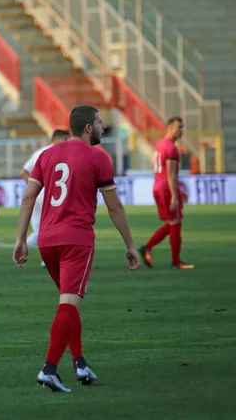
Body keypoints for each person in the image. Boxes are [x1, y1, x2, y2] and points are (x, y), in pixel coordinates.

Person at [13, 105, 139, 393]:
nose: (103, 126)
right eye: (99, 122)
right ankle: (49, 369)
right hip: (76, 241)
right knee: (68, 305)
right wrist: (130, 244)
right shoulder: (98, 156)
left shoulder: (46, 155)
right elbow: (114, 206)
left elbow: (28, 199)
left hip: (46, 241)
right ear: (87, 128)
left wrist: (21, 238)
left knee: (67, 304)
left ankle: (80, 363)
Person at [139, 116, 194, 270]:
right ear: (170, 128)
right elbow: (170, 174)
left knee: (171, 224)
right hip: (166, 188)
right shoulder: (171, 148)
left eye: (182, 127)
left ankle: (147, 248)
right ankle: (176, 261)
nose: (181, 130)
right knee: (176, 223)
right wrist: (175, 196)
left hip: (158, 185)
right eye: (179, 127)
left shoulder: (160, 144)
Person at [20, 129, 70, 266]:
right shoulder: (64, 152)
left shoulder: (40, 152)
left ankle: (25, 247)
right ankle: (36, 253)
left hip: (38, 195)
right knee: (54, 227)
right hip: (55, 196)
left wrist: (33, 186)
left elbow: (24, 171)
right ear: (61, 138)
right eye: (66, 139)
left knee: (40, 229)